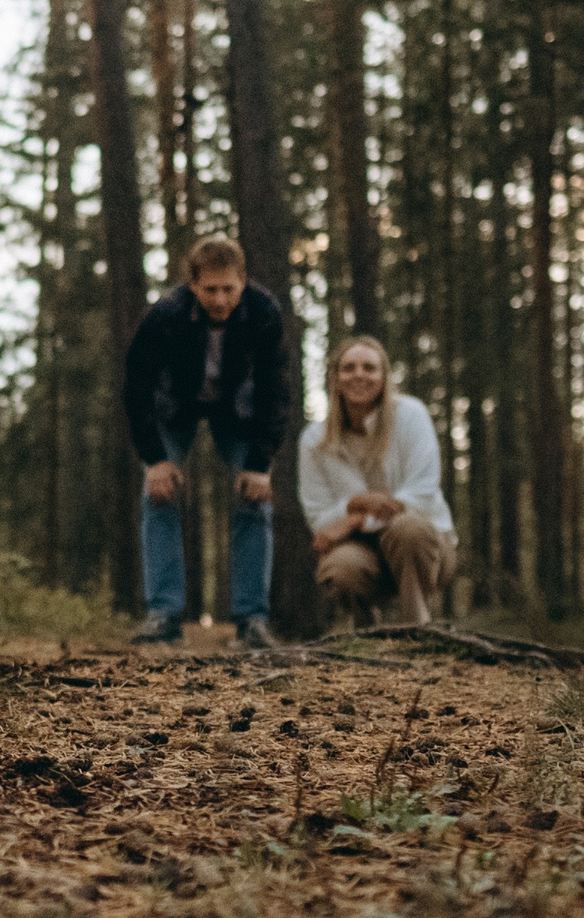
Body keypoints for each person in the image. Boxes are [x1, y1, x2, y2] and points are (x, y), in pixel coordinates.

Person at [122, 235, 290, 648]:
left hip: (238, 411)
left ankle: (252, 620)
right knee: (157, 496)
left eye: (229, 289)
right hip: (173, 408)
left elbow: (276, 390)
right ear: (192, 285)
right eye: (210, 289)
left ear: (244, 281)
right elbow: (136, 389)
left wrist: (261, 462)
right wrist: (155, 459)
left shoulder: (264, 313)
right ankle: (163, 615)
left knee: (254, 497)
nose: (219, 299)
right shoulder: (165, 315)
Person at [299, 336, 455, 625]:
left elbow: (420, 494)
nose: (359, 375)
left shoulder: (412, 416)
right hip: (361, 553)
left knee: (408, 529)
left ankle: (417, 628)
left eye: (369, 368)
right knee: (341, 566)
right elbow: (320, 521)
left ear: (384, 378)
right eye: (349, 368)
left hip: (427, 548)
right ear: (335, 378)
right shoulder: (313, 440)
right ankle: (365, 634)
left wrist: (355, 518)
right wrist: (357, 507)